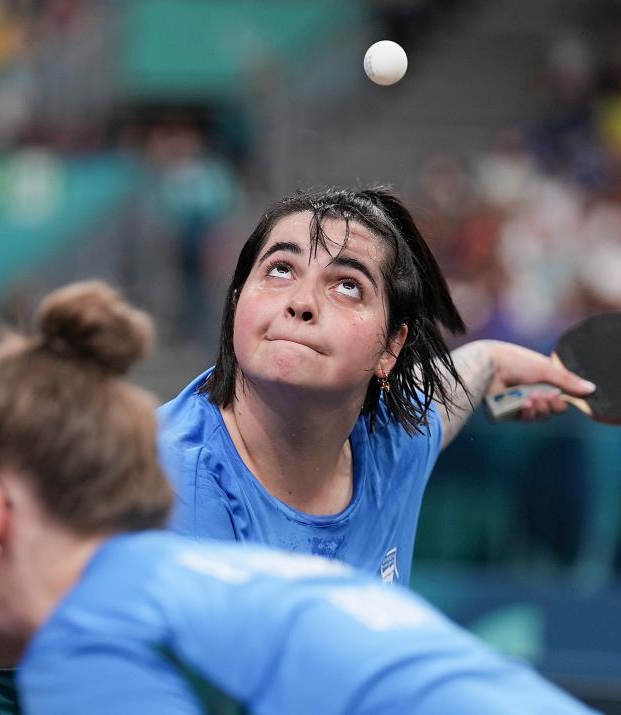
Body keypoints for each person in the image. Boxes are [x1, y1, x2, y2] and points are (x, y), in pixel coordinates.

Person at [0, 280, 595, 714]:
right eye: (279, 270)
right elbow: (444, 393)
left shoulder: (99, 640)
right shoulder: (164, 590)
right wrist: (489, 361)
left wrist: (491, 362)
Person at [159, 186, 594, 584]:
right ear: (237, 300)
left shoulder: (391, 445)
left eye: (348, 286)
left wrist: (491, 361)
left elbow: (451, 386)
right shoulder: (171, 486)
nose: (301, 302)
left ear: (391, 347)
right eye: (281, 269)